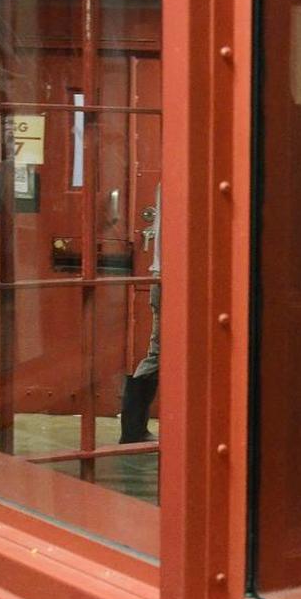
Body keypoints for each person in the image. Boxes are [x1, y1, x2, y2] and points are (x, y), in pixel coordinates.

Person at [120, 183, 160, 444]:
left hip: (163, 274)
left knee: (157, 352)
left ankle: (134, 428)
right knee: (159, 354)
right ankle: (133, 429)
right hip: (177, 276)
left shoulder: (163, 183)